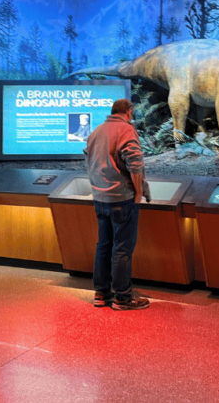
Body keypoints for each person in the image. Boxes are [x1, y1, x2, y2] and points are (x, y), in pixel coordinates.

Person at [84, 98, 151, 310]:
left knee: (103, 245)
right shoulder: (126, 130)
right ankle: (123, 298)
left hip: (100, 199)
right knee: (122, 249)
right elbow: (136, 162)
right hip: (122, 199)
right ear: (129, 112)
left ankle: (101, 294)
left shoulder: (97, 130)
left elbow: (88, 157)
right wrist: (139, 191)